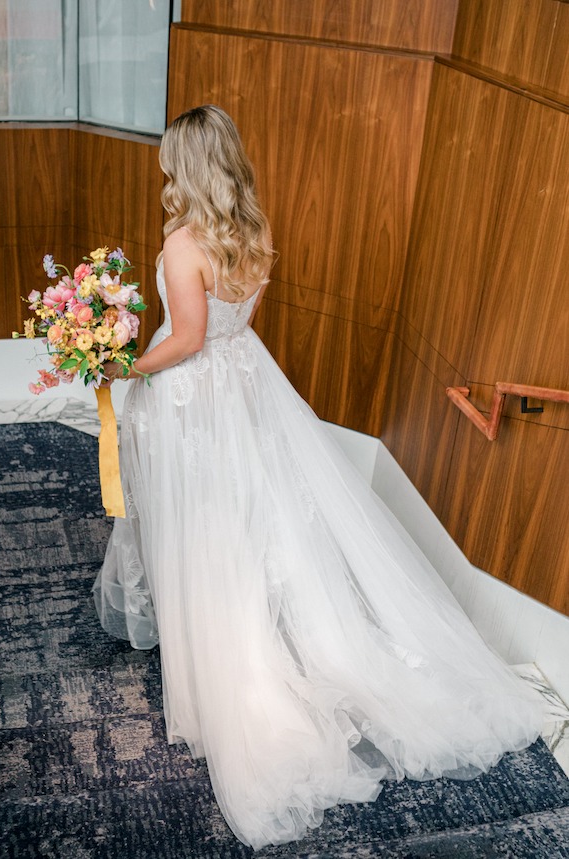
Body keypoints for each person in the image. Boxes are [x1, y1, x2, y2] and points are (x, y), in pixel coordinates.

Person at [93, 105, 542, 850]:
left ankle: (222, 650)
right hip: (249, 385)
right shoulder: (258, 232)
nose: (163, 166)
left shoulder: (182, 241)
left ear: (191, 163)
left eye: (172, 156)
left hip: (197, 398)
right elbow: (232, 325)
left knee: (204, 518)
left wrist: (125, 366)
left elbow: (190, 337)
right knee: (256, 512)